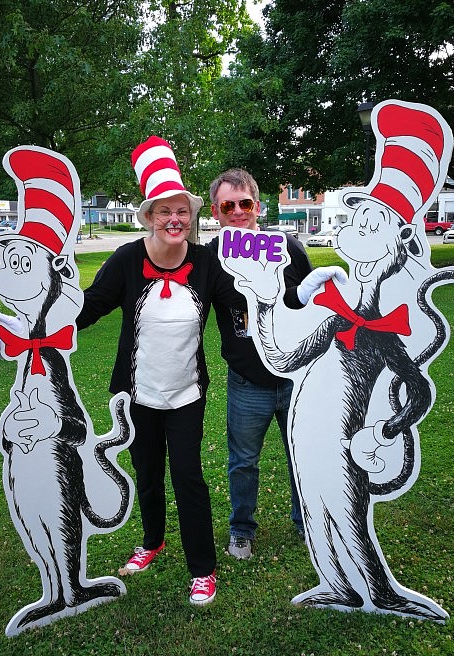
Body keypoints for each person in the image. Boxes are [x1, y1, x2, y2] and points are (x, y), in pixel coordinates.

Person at [76, 138, 243, 605]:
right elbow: (89, 308)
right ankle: (152, 541)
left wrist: (302, 296)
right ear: (149, 216)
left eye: (182, 212)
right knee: (147, 473)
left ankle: (203, 568)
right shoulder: (128, 260)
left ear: (191, 218)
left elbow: (243, 302)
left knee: (188, 476)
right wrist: (37, 323)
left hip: (187, 393)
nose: (175, 219)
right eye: (164, 211)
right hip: (137, 395)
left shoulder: (208, 262)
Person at [207, 169, 345, 560]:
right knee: (243, 462)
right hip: (247, 382)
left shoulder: (288, 247)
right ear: (216, 211)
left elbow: (313, 307)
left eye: (244, 203)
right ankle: (241, 529)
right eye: (227, 205)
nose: (237, 211)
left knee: (301, 454)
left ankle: (309, 523)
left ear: (258, 205)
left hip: (297, 378)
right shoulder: (212, 258)